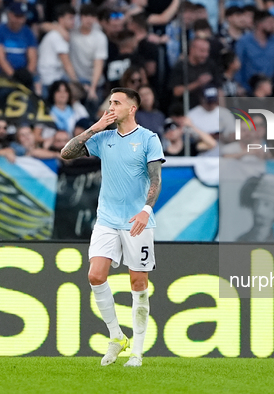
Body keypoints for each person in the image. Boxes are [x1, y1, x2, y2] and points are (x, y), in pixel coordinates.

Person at [60, 87, 164, 368]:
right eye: (109, 102)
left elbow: (155, 179)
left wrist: (146, 210)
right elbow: (66, 153)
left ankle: (138, 353)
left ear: (132, 109)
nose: (111, 107)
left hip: (137, 222)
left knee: (138, 284)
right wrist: (94, 127)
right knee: (95, 276)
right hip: (106, 219)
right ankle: (117, 336)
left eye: (117, 103)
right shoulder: (103, 137)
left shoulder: (148, 139)